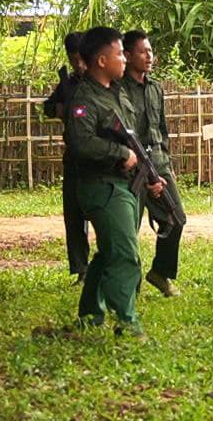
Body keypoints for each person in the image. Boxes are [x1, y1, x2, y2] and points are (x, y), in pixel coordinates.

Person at [67, 26, 148, 337]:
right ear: (101, 60)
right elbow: (82, 143)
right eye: (119, 54)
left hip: (122, 185)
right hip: (102, 187)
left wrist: (147, 174)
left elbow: (133, 138)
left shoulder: (115, 92)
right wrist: (119, 153)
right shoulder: (85, 98)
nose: (125, 59)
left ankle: (89, 315)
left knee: (106, 254)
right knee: (125, 256)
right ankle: (127, 324)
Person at [121, 30, 187, 297]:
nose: (149, 56)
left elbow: (162, 129)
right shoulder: (119, 89)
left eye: (150, 51)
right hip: (131, 170)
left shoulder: (155, 88)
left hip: (158, 164)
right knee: (128, 230)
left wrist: (166, 164)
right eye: (142, 52)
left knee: (176, 219)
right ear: (127, 56)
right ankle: (128, 287)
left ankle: (160, 273)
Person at [43, 31, 90, 280]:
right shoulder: (68, 83)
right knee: (74, 217)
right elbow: (48, 106)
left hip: (98, 161)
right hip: (74, 157)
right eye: (74, 61)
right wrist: (59, 109)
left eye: (82, 60)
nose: (79, 66)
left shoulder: (102, 82)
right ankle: (81, 269)